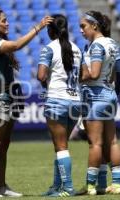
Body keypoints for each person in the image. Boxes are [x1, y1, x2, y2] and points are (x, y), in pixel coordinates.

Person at [0, 8, 53, 198]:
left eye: (7, 20)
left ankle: (1, 186)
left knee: (4, 144)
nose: (7, 23)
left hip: (8, 97)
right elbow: (17, 45)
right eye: (3, 21)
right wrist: (38, 27)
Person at [78, 10, 120, 195]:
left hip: (95, 97)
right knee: (112, 141)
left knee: (95, 144)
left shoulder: (96, 46)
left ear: (94, 25)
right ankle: (117, 184)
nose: (81, 30)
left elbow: (94, 74)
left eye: (83, 26)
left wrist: (81, 69)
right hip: (109, 95)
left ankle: (92, 186)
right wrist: (115, 93)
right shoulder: (113, 43)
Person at [37, 14, 82, 197]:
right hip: (75, 100)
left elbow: (41, 75)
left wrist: (46, 84)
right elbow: (83, 75)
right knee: (61, 145)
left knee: (61, 146)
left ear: (50, 30)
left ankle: (68, 187)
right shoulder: (77, 49)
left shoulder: (48, 49)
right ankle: (56, 186)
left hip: (56, 99)